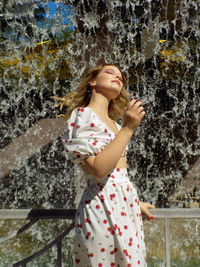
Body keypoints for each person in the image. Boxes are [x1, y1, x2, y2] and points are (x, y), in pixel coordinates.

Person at [55, 64, 155, 267]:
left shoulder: (115, 123)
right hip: (101, 207)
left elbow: (118, 172)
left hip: (124, 207)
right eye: (110, 72)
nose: (118, 76)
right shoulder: (82, 115)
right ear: (92, 81)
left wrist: (132, 202)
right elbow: (99, 170)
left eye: (121, 76)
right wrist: (129, 128)